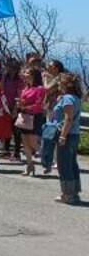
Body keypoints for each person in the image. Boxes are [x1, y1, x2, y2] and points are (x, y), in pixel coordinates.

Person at [50, 73, 82, 204]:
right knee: (72, 164)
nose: (58, 85)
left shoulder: (68, 99)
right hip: (74, 134)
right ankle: (74, 192)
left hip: (67, 134)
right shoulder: (75, 98)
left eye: (60, 82)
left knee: (64, 165)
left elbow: (68, 119)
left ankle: (67, 194)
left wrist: (62, 136)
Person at [14, 67, 46, 176]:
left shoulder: (40, 89)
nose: (24, 74)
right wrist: (20, 105)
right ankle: (29, 165)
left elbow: (39, 105)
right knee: (25, 141)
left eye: (27, 72)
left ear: (33, 75)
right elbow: (23, 100)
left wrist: (25, 107)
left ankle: (47, 156)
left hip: (35, 116)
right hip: (24, 116)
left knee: (32, 141)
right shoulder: (25, 88)